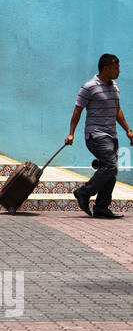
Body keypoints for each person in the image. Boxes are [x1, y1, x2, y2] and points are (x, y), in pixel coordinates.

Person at [66, 54, 132, 219]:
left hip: (111, 135)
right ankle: (83, 192)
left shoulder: (114, 86)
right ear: (105, 69)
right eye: (116, 68)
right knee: (110, 165)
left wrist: (128, 130)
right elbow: (77, 110)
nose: (118, 71)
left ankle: (101, 207)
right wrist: (71, 133)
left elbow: (117, 110)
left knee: (112, 169)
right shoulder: (89, 87)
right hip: (95, 135)